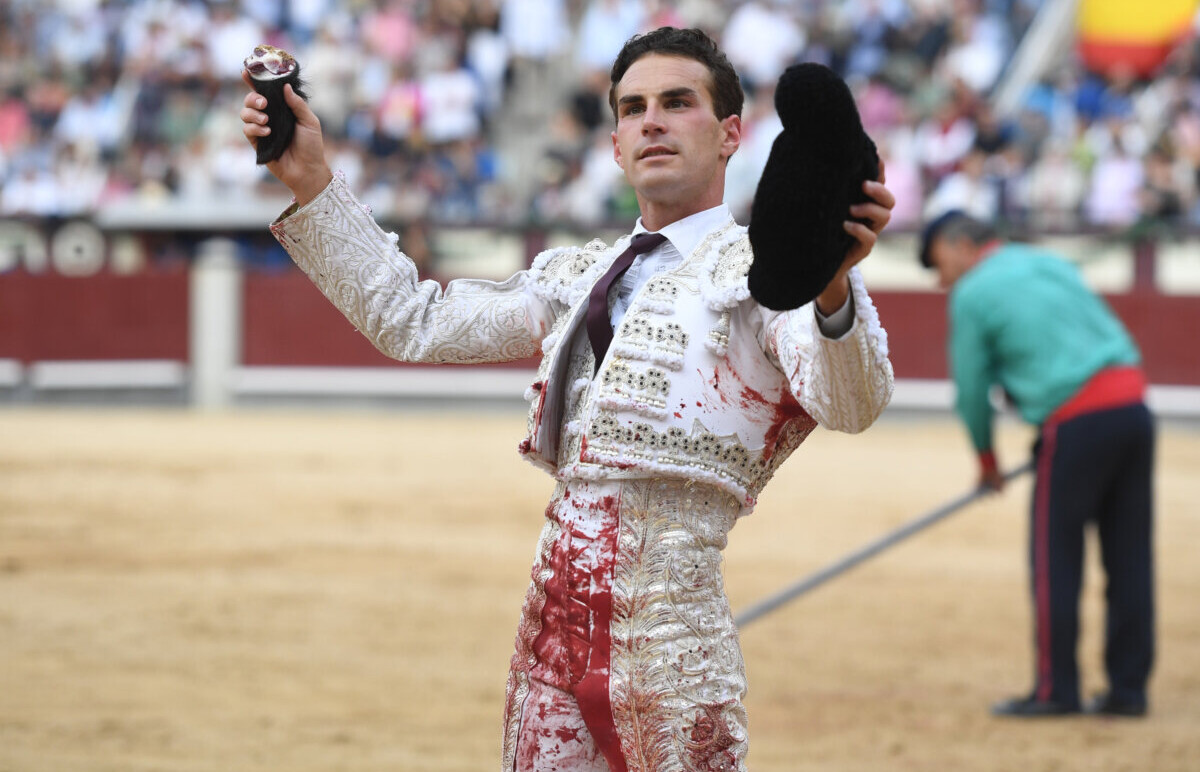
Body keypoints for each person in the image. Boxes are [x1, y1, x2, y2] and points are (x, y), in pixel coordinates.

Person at [242, 27, 896, 770]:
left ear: (729, 134)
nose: (652, 121)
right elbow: (414, 322)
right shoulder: (574, 273)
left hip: (671, 627)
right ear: (615, 143)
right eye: (633, 107)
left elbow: (851, 403)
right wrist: (313, 185)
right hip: (550, 620)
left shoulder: (767, 275)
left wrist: (832, 282)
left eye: (678, 103)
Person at [918, 210, 1155, 719]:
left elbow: (972, 391)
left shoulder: (974, 292)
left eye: (940, 264)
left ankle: (1056, 690)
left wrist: (986, 460)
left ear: (962, 245)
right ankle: (1128, 691)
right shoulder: (1046, 262)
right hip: (1134, 410)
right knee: (1130, 559)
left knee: (1055, 562)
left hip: (1074, 425)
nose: (941, 280)